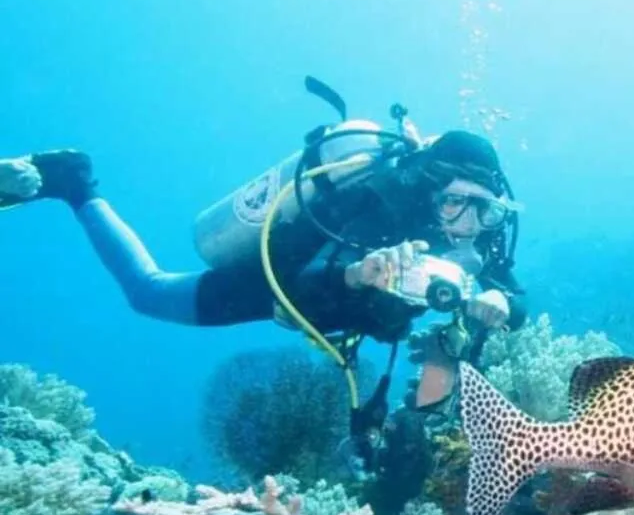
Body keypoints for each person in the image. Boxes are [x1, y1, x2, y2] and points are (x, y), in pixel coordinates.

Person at [0, 108, 528, 481]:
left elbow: (515, 294)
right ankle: (76, 184)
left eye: (488, 210)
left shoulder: (482, 234)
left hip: (354, 317)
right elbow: (302, 289)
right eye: (460, 203)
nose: (472, 222)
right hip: (282, 277)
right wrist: (358, 275)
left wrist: (503, 303)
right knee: (149, 293)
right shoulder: (379, 200)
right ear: (430, 184)